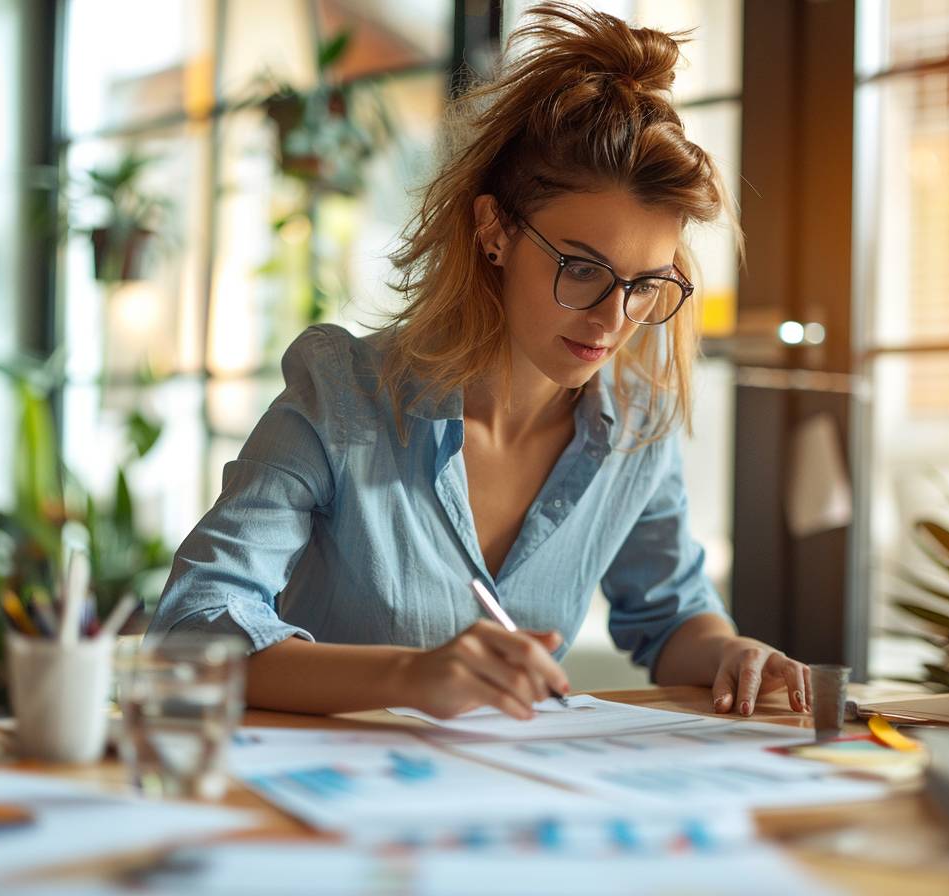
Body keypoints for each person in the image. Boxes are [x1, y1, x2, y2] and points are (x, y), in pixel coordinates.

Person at [147, 2, 813, 722]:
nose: (613, 320)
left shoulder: (635, 425)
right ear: (494, 230)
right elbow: (191, 626)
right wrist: (410, 677)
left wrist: (731, 654)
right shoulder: (341, 394)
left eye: (646, 283)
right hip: (325, 801)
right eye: (582, 269)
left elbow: (673, 613)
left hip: (510, 804)